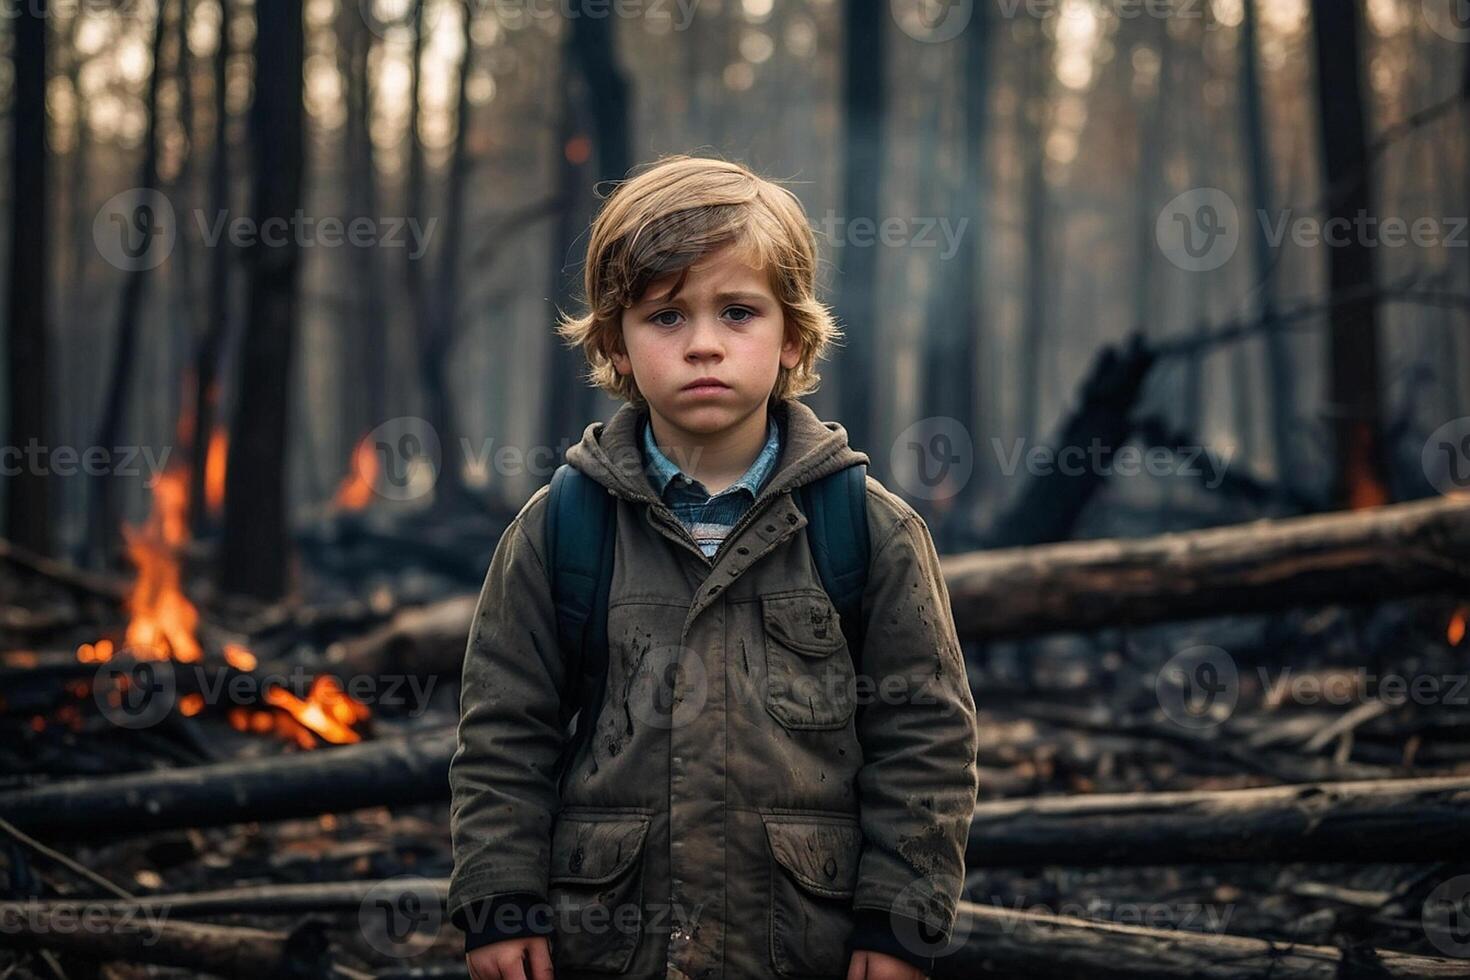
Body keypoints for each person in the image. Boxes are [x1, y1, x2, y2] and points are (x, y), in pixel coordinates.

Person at [448, 154, 980, 980]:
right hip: (608, 945)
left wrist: (899, 922)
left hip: (804, 944)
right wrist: (497, 899)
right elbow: (503, 731)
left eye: (738, 312)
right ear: (615, 344)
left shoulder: (866, 530)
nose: (703, 345)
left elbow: (926, 739)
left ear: (793, 334)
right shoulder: (563, 529)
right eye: (665, 317)